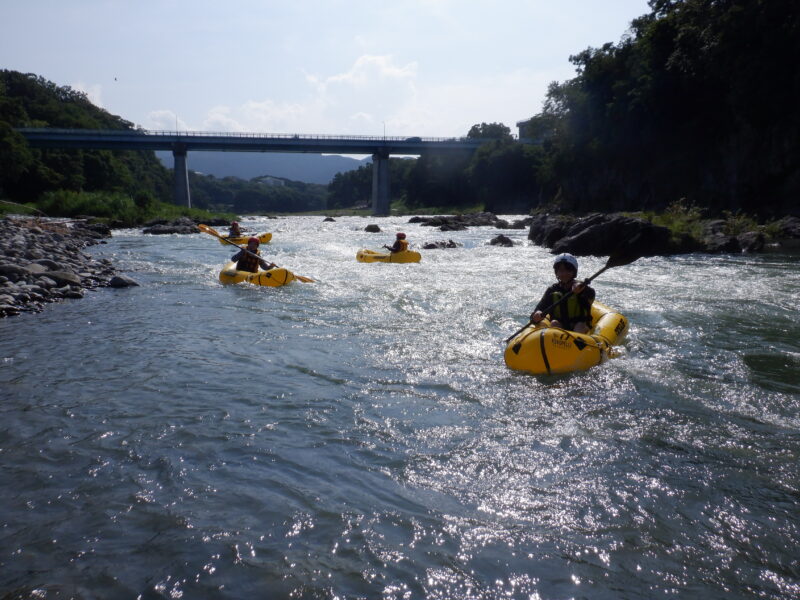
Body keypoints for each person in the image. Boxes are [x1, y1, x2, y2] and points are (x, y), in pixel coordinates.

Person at [530, 253, 595, 334]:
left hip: (580, 326)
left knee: (579, 326)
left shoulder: (581, 287)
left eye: (568, 270)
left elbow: (591, 295)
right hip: (560, 327)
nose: (564, 274)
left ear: (574, 272)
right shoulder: (552, 291)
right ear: (556, 272)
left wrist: (582, 291)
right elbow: (539, 309)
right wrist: (536, 315)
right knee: (554, 323)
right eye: (561, 270)